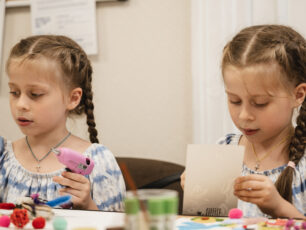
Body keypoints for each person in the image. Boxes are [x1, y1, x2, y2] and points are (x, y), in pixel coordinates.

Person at [181, 25, 306, 218]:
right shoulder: (224, 149)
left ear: (298, 95)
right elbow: (207, 221)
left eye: (260, 103)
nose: (244, 115)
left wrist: (279, 207)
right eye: (235, 101)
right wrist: (197, 194)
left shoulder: (302, 164)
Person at [0, 35, 126, 211]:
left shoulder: (98, 162)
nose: (20, 104)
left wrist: (87, 205)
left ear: (72, 98)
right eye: (14, 92)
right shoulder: (3, 157)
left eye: (35, 94)